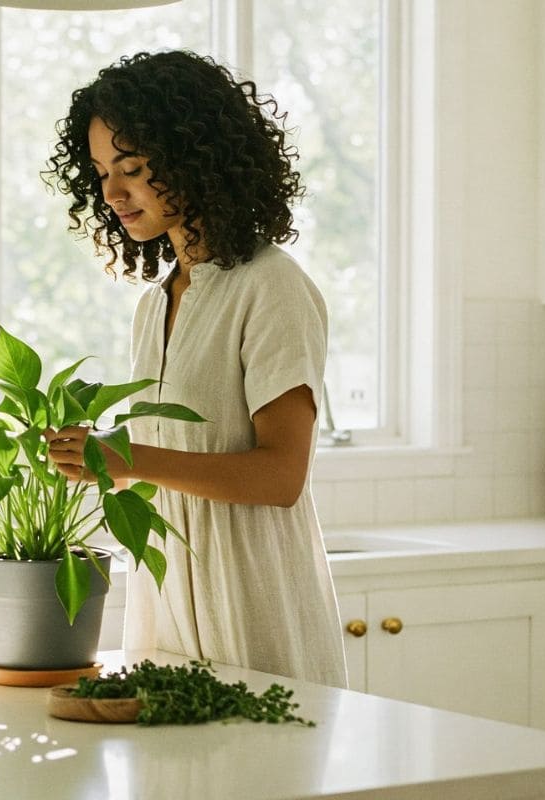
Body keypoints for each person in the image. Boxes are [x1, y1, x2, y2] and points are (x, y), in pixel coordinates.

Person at [42, 50, 347, 687]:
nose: (112, 193)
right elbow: (162, 464)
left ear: (194, 157)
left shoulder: (271, 287)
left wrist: (128, 461)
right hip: (166, 605)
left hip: (254, 609)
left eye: (131, 169)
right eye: (100, 173)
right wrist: (91, 462)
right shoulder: (155, 305)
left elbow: (281, 475)